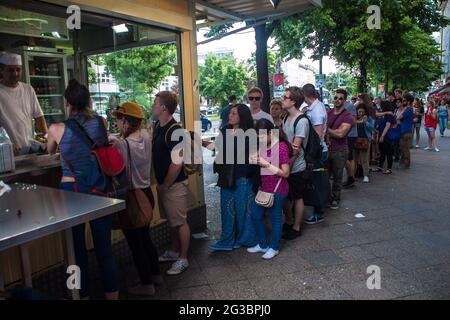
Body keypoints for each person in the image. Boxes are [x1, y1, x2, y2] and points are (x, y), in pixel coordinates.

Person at [47, 79, 118, 300]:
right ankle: (112, 296)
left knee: (74, 250)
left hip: (71, 191)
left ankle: (80, 294)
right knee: (104, 248)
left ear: (67, 103)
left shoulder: (56, 128)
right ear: (88, 100)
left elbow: (49, 151)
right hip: (98, 187)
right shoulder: (100, 122)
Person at [109, 102, 161, 296]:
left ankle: (147, 285)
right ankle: (156, 275)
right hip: (147, 193)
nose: (117, 122)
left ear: (126, 121)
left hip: (133, 197)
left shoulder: (123, 145)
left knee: (135, 243)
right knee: (145, 238)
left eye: (119, 118)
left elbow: (114, 167)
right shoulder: (146, 137)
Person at [208, 104, 258, 251]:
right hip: (226, 177)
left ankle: (244, 239)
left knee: (243, 211)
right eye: (230, 113)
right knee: (227, 210)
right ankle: (228, 240)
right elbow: (216, 147)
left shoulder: (250, 133)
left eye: (234, 114)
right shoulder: (225, 130)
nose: (230, 115)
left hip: (243, 177)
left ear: (242, 116)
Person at [152, 91, 191, 275]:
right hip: (164, 185)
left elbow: (177, 164)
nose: (152, 106)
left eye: (155, 103)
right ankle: (174, 251)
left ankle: (183, 258)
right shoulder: (157, 126)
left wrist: (165, 185)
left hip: (173, 185)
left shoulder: (175, 131)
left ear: (163, 108)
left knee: (180, 222)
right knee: (171, 221)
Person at [248, 119, 291, 259]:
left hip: (278, 189)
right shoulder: (264, 146)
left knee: (275, 218)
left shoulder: (281, 147)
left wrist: (266, 164)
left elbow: (285, 173)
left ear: (270, 133)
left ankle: (274, 247)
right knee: (255, 214)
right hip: (265, 188)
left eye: (261, 136)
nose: (259, 139)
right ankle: (262, 244)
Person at [0, 53, 48, 155]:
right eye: (10, 70)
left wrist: (48, 136)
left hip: (30, 148)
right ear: (2, 70)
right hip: (8, 150)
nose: (15, 73)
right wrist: (5, 143)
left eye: (18, 69)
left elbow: (39, 116)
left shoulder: (28, 89)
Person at [281, 87, 310, 237]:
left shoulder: (302, 120)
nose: (282, 99)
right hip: (287, 165)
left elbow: (296, 149)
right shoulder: (286, 117)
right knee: (285, 196)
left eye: (285, 97)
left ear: (293, 101)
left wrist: (287, 168)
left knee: (298, 197)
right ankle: (289, 221)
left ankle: (296, 228)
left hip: (296, 166)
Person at [302, 83, 328, 221]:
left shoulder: (316, 110)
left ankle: (318, 213)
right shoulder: (316, 107)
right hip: (319, 150)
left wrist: (311, 155)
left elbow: (317, 135)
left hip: (318, 151)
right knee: (316, 180)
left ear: (305, 96)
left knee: (317, 182)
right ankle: (318, 209)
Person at [326, 89, 353, 210]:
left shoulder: (348, 116)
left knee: (337, 176)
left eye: (340, 98)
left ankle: (335, 199)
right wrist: (332, 132)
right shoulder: (328, 113)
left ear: (345, 100)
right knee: (325, 176)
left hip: (340, 150)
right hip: (327, 149)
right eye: (336, 97)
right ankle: (326, 197)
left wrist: (326, 130)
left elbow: (341, 134)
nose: (337, 100)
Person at [374, 101, 396, 174]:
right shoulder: (385, 114)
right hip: (382, 134)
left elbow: (387, 126)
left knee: (388, 152)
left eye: (381, 105)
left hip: (387, 136)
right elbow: (375, 115)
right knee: (382, 152)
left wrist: (382, 136)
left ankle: (389, 169)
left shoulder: (390, 115)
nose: (380, 107)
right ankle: (380, 167)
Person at [354, 104, 374, 183]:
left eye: (362, 112)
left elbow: (372, 128)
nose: (361, 113)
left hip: (364, 141)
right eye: (359, 111)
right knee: (354, 159)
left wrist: (366, 122)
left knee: (364, 159)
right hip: (354, 140)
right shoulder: (354, 118)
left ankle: (366, 175)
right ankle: (352, 175)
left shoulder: (368, 118)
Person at [343, 93, 358, 188]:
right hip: (348, 135)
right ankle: (350, 178)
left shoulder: (350, 106)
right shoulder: (346, 106)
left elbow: (354, 121)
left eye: (339, 97)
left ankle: (351, 177)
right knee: (349, 157)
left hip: (350, 135)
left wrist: (343, 128)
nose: (336, 99)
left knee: (347, 157)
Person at [397, 94, 414, 168]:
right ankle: (403, 162)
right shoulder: (409, 109)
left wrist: (403, 109)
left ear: (408, 101)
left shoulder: (408, 109)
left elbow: (399, 117)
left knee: (404, 148)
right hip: (405, 130)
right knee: (403, 147)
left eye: (404, 100)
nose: (402, 102)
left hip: (406, 131)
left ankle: (406, 163)